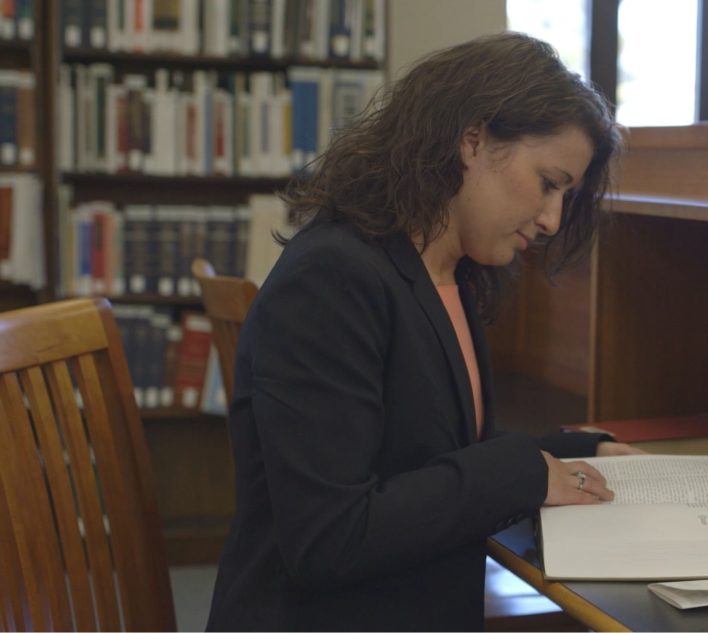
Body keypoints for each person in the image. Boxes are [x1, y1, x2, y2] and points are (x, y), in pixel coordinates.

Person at [206, 32, 643, 631]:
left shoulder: (445, 273)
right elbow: (330, 539)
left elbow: (425, 452)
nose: (550, 220)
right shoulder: (334, 277)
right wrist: (521, 471)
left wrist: (574, 452)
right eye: (549, 182)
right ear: (473, 140)